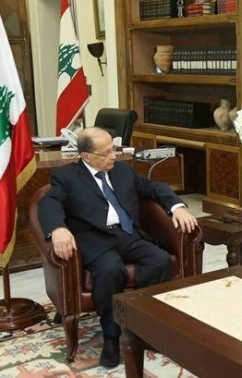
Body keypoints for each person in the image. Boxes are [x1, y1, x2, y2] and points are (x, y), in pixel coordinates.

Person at [38, 127, 198, 368]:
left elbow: (154, 188)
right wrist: (57, 229)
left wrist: (177, 207)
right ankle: (111, 338)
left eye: (113, 149)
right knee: (111, 271)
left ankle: (142, 327)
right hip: (95, 240)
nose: (113, 156)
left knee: (160, 260)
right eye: (106, 152)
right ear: (86, 156)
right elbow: (49, 202)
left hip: (128, 235)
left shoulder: (123, 170)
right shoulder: (67, 176)